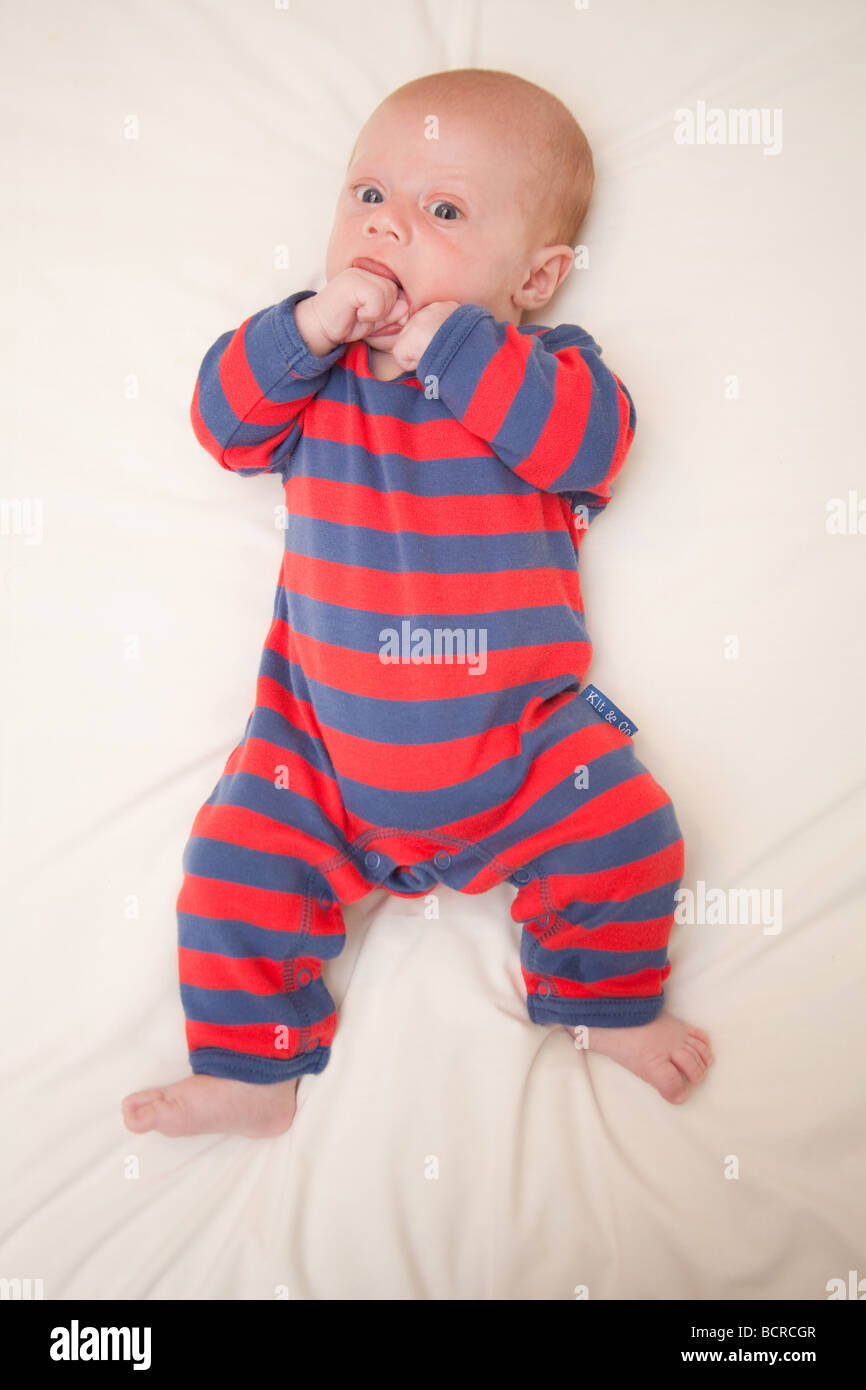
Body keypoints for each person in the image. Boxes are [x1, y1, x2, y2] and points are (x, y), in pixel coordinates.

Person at [122, 68, 713, 1139]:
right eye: (368, 195)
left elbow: (589, 449)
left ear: (534, 276)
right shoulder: (316, 376)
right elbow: (223, 422)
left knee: (627, 830)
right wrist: (304, 327)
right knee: (231, 865)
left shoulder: (548, 371)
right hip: (318, 758)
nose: (387, 226)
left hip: (524, 747)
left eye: (441, 211)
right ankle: (253, 1071)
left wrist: (450, 347)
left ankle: (602, 1000)